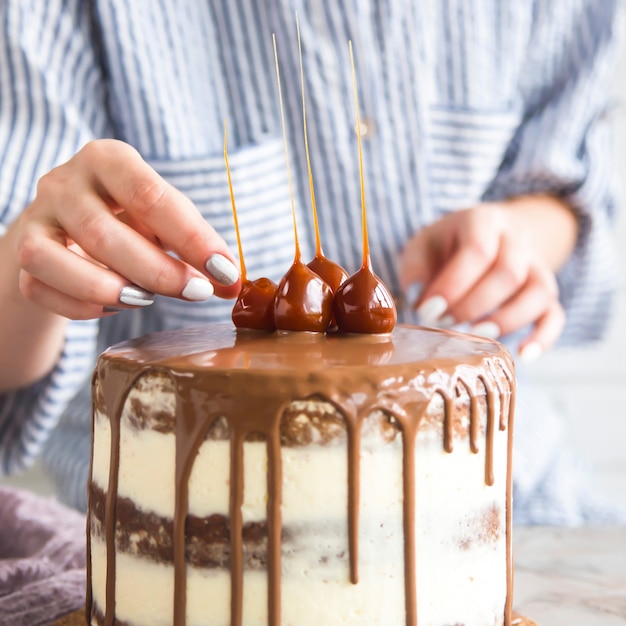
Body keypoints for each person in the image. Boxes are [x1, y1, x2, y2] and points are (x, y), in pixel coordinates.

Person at [0, 1, 623, 524]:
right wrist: (36, 265)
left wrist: (518, 235)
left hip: (515, 508)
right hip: (186, 538)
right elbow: (23, 301)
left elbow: (577, 172)